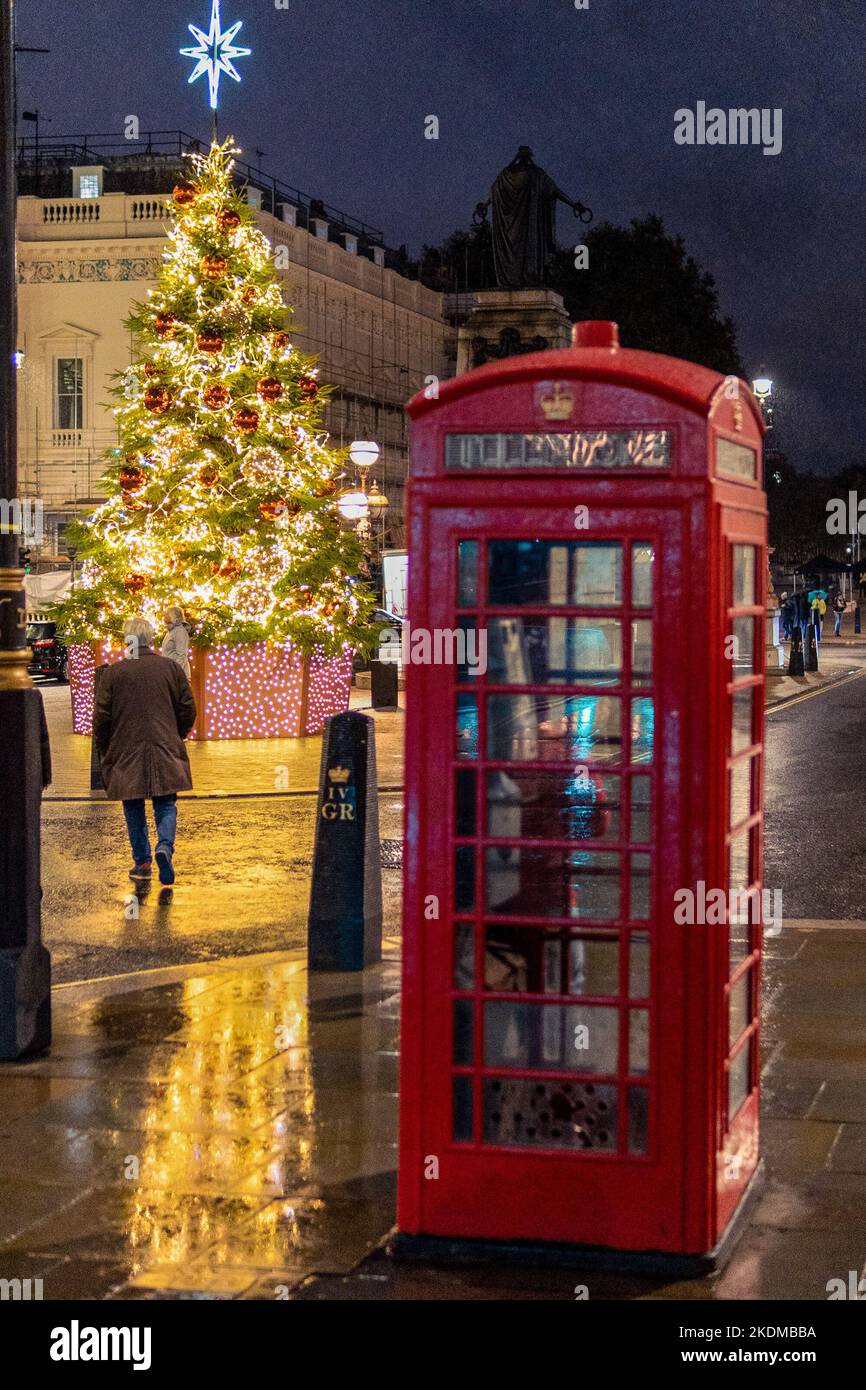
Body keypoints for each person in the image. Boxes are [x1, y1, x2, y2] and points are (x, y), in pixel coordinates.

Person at [93, 617, 196, 886]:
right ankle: (164, 846)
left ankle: (143, 862)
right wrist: (178, 733)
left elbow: (102, 717)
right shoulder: (170, 669)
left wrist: (105, 747)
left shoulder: (114, 674)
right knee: (166, 803)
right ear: (151, 640)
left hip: (126, 748)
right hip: (164, 744)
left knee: (133, 805)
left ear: (128, 642)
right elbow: (188, 707)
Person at [161, 606, 191, 679]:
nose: (164, 616)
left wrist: (175, 673)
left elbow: (182, 655)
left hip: (178, 675)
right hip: (170, 672)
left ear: (174, 616)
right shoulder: (170, 631)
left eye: (167, 614)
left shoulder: (180, 632)